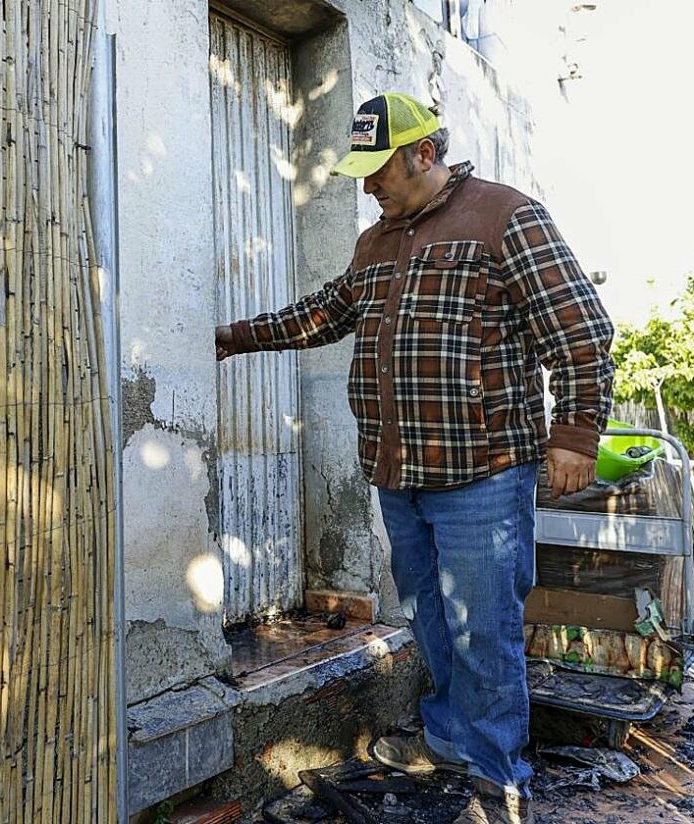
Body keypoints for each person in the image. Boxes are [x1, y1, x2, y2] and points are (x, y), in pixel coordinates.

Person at [214, 92, 614, 824]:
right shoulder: (375, 243)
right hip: (400, 475)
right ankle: (450, 739)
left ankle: (497, 773)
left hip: (485, 473)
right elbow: (324, 314)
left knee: (483, 624)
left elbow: (581, 330)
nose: (369, 185)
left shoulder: (504, 216)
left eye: (380, 170)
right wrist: (235, 336)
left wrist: (576, 435)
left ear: (424, 154)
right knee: (431, 616)